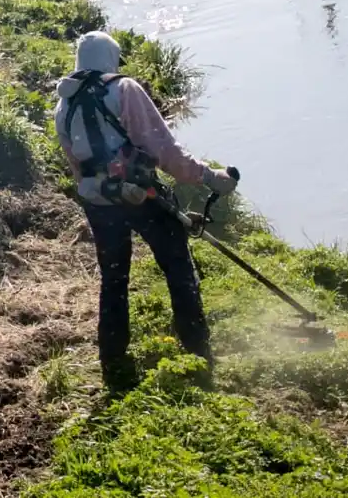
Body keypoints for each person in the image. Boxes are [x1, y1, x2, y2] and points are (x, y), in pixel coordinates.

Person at [54, 31, 239, 390]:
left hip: (99, 201)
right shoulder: (124, 89)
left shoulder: (64, 104)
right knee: (179, 270)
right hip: (144, 196)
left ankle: (114, 363)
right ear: (111, 58)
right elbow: (166, 151)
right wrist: (211, 178)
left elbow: (76, 167)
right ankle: (198, 356)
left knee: (114, 279)